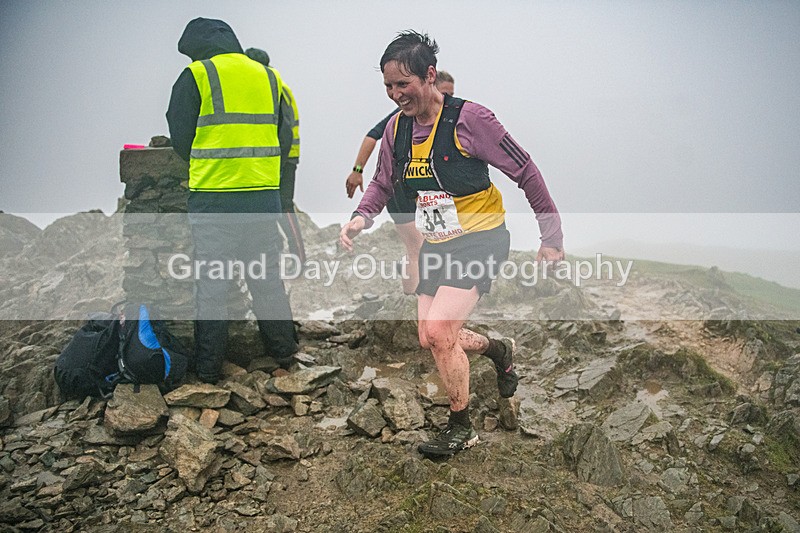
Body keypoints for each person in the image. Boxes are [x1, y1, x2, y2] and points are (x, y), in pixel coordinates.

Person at [340, 31, 564, 457]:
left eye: (402, 84)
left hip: (481, 239)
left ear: (429, 76)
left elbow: (526, 171)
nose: (394, 95)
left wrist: (551, 237)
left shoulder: (471, 120)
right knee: (430, 337)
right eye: (387, 86)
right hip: (438, 241)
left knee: (442, 332)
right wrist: (359, 218)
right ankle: (500, 350)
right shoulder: (395, 129)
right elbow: (384, 181)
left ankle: (462, 426)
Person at [166, 18, 298, 383]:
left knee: (213, 284)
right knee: (266, 278)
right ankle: (284, 352)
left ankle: (208, 369)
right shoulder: (268, 76)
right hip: (261, 196)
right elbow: (283, 137)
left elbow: (180, 135)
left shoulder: (197, 74)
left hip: (214, 198)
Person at [345, 71, 455, 295]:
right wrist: (357, 170)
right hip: (398, 188)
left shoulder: (445, 117)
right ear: (431, 85)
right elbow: (372, 135)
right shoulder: (405, 115)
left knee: (423, 245)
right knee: (416, 246)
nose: (448, 99)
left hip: (421, 190)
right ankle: (414, 302)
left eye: (452, 94)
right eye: (445, 93)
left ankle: (416, 298)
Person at [245, 47, 306, 266]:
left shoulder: (274, 87)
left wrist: (278, 163)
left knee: (284, 205)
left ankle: (299, 258)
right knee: (275, 205)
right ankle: (283, 254)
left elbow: (285, 129)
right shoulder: (275, 85)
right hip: (279, 156)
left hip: (283, 157)